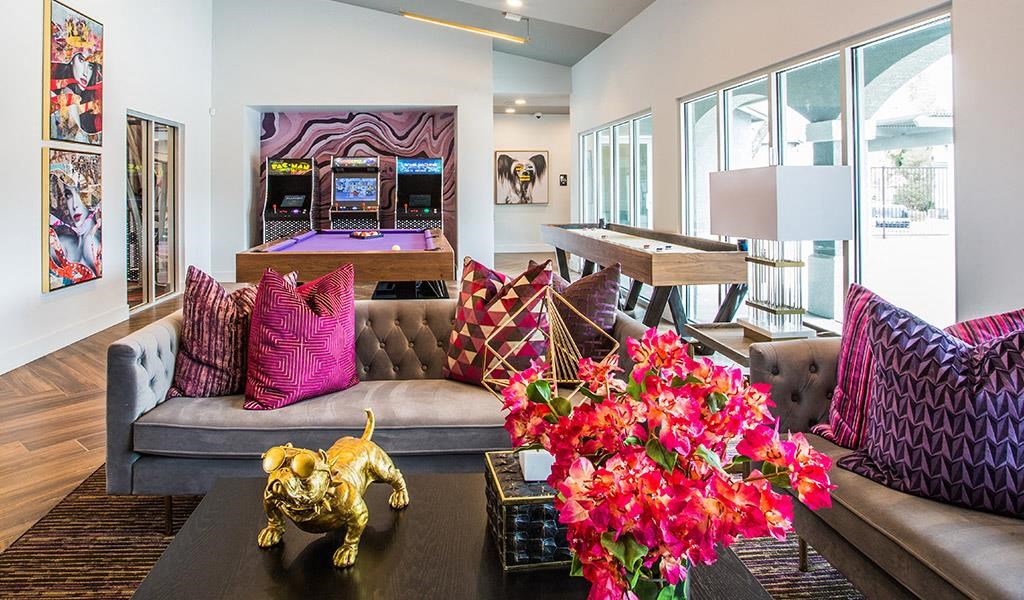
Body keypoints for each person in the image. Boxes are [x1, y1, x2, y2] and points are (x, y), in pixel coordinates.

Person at [49, 173, 101, 285]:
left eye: (80, 193)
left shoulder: (91, 242)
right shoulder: (64, 241)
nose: (74, 205)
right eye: (69, 195)